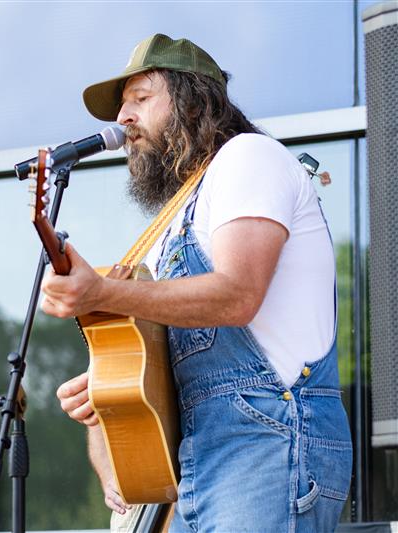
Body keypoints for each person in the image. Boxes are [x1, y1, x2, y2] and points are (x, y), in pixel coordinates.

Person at [41, 34, 352, 532]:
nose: (122, 118)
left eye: (141, 99)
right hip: (200, 456)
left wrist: (101, 294)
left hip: (266, 442)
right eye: (122, 106)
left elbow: (236, 293)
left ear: (193, 101)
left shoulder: (249, 157)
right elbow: (163, 365)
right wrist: (108, 402)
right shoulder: (174, 220)